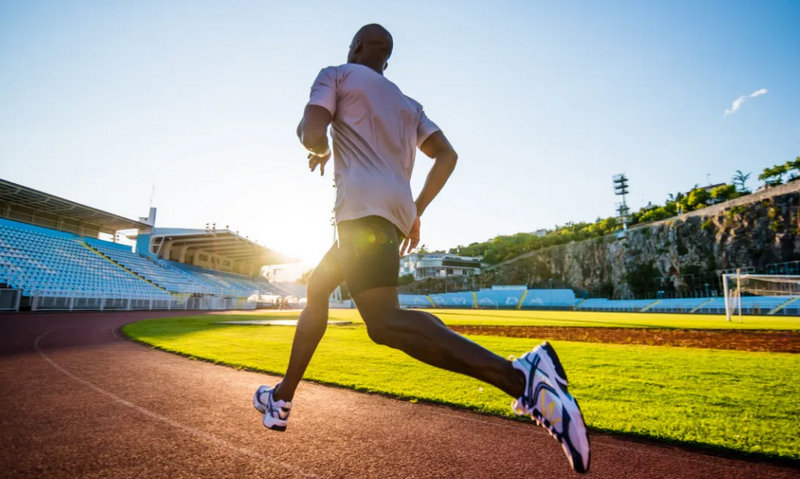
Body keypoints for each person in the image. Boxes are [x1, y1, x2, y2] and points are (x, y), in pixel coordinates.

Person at [254, 24, 590, 473]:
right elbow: (447, 155)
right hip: (388, 216)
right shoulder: (409, 106)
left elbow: (310, 130)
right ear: (387, 60)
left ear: (354, 48)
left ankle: (522, 377)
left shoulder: (335, 75)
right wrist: (416, 209)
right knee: (319, 290)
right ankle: (281, 398)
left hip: (361, 214)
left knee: (384, 322)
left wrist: (317, 146)